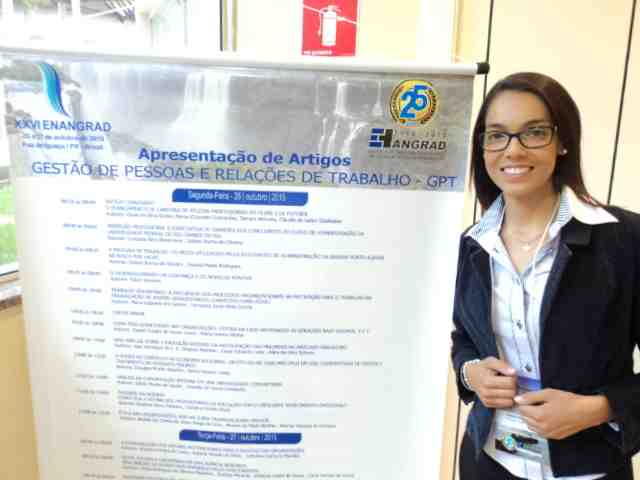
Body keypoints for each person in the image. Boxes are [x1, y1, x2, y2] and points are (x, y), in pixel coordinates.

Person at [451, 72, 640, 480]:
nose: (513, 149)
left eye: (534, 132)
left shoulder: (624, 240)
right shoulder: (473, 244)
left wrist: (599, 408)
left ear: (563, 141)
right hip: (491, 461)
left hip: (587, 469)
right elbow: (464, 338)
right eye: (496, 135)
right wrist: (472, 374)